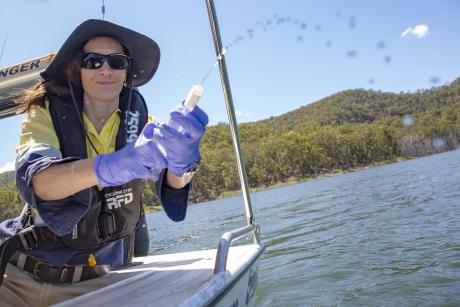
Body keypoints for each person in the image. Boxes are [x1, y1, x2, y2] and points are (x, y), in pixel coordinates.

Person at [0, 19, 208, 306]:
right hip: (15, 276)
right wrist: (111, 166)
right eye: (93, 61)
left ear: (127, 72)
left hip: (97, 285)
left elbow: (172, 190)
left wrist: (183, 164)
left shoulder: (140, 123)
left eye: (116, 62)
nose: (105, 70)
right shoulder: (45, 112)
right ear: (78, 69)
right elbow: (40, 183)